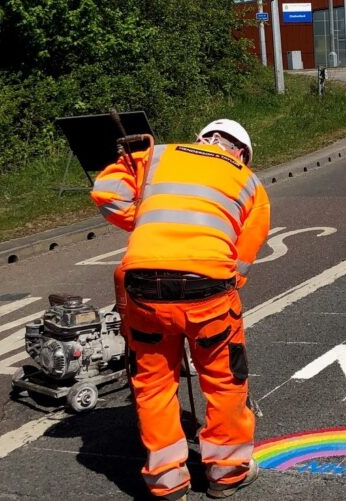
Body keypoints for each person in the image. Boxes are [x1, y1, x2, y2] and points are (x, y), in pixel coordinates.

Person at [91, 119, 271, 500]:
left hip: (143, 285)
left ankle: (166, 481)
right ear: (240, 152)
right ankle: (226, 473)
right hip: (208, 291)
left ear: (202, 139)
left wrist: (143, 221)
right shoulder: (249, 182)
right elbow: (241, 259)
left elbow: (106, 192)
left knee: (153, 382)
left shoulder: (155, 155)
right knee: (224, 380)